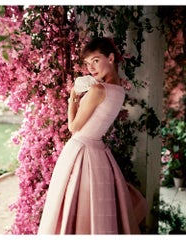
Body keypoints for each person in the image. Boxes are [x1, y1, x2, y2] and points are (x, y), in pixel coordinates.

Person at [38, 37, 148, 234]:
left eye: (96, 60)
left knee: (73, 206)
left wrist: (73, 96)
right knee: (94, 208)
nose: (91, 68)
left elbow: (73, 127)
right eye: (88, 63)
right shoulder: (120, 90)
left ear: (111, 58)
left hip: (81, 150)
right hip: (98, 152)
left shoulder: (98, 90)